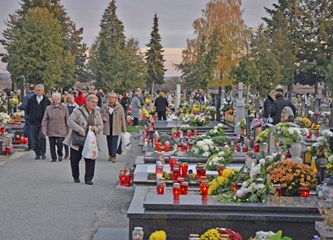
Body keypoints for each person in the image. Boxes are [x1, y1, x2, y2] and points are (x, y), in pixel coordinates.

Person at [63, 95, 103, 185]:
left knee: (90, 158)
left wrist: (95, 128)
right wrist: (80, 129)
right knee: (74, 159)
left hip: (91, 139)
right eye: (92, 102)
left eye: (96, 102)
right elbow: (70, 121)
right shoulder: (78, 111)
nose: (94, 104)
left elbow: (101, 125)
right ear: (87, 102)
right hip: (78, 138)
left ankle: (88, 178)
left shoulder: (97, 113)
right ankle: (75, 176)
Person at [26, 84, 51, 160]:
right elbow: (27, 109)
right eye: (36, 90)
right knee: (35, 138)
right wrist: (30, 117)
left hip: (43, 122)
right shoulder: (31, 99)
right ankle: (37, 153)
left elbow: (49, 111)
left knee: (42, 137)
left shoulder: (46, 100)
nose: (37, 92)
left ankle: (43, 153)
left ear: (43, 91)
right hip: (33, 122)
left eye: (39, 90)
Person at [42, 93, 69, 162]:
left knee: (60, 143)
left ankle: (60, 154)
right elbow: (45, 119)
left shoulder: (64, 107)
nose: (57, 100)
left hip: (61, 129)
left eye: (59, 99)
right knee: (52, 144)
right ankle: (53, 157)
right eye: (56, 99)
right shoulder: (48, 108)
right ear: (53, 100)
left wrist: (68, 129)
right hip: (51, 129)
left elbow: (67, 119)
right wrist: (44, 129)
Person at [101, 93, 127, 162]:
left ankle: (114, 156)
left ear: (116, 98)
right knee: (109, 141)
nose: (111, 99)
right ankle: (110, 155)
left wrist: (124, 128)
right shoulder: (104, 106)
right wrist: (102, 117)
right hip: (107, 127)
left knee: (114, 141)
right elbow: (100, 114)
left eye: (113, 97)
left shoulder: (120, 107)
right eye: (110, 97)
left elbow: (123, 118)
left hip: (116, 126)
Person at [18, 84, 35, 151]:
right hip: (36, 116)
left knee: (29, 131)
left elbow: (23, 106)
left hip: (28, 116)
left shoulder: (27, 97)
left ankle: (31, 146)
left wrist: (18, 107)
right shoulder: (36, 96)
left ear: (28, 89)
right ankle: (36, 144)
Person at [63, 94, 79, 159]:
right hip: (66, 125)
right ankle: (67, 152)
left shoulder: (77, 107)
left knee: (73, 140)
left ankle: (72, 154)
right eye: (69, 98)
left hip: (74, 125)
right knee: (65, 139)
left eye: (71, 97)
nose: (70, 99)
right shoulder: (65, 106)